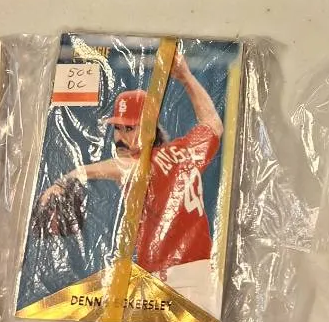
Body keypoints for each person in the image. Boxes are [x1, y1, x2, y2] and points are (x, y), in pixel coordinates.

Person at [35, 49, 223, 296]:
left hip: (174, 282)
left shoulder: (142, 165)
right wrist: (186, 77)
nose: (120, 138)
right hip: (202, 276)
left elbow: (125, 168)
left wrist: (70, 177)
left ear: (150, 129)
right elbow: (212, 124)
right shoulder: (185, 150)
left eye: (130, 128)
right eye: (118, 128)